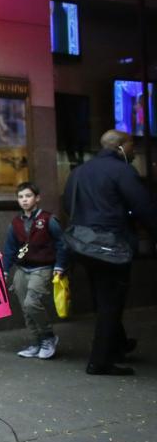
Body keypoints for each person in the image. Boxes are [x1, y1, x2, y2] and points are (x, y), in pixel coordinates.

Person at [63, 130, 157, 376]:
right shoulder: (122, 171)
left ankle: (117, 344)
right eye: (132, 145)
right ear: (121, 147)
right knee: (110, 304)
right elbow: (143, 207)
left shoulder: (79, 171)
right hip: (111, 246)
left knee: (102, 299)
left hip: (82, 245)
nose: (134, 151)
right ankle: (100, 361)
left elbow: (66, 204)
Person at [2, 182, 67, 360]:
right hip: (22, 268)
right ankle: (36, 341)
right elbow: (9, 249)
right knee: (25, 307)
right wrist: (5, 270)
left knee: (32, 303)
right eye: (21, 197)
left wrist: (60, 266)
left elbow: (62, 244)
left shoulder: (48, 219)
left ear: (37, 198)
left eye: (28, 196)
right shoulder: (15, 223)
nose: (24, 200)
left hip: (43, 268)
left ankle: (48, 337)